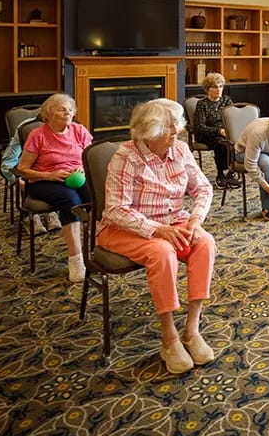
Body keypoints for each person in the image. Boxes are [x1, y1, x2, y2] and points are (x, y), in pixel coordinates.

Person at [97, 99, 217, 374]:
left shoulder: (180, 150)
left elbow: (203, 188)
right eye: (168, 126)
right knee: (162, 252)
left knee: (205, 243)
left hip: (173, 221)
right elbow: (115, 209)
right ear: (148, 131)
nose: (176, 131)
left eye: (177, 124)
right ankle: (169, 338)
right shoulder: (126, 156)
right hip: (125, 228)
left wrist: (195, 220)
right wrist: (158, 230)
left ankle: (192, 330)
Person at [16, 93, 92, 282]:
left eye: (70, 109)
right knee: (71, 201)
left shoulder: (79, 130)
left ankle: (99, 248)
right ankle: (76, 259)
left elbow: (90, 158)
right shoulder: (38, 135)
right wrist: (50, 175)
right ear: (48, 114)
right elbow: (22, 168)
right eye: (62, 109)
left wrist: (82, 169)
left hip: (77, 177)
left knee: (95, 196)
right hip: (44, 181)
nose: (68, 112)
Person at [1, 113, 61, 235]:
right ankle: (30, 216)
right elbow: (7, 165)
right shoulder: (26, 129)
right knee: (29, 175)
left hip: (51, 171)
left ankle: (51, 212)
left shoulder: (65, 127)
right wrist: (19, 183)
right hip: (26, 170)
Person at [192, 72, 239, 189]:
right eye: (214, 87)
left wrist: (228, 131)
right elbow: (199, 127)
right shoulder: (202, 104)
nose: (218, 90)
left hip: (225, 133)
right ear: (208, 89)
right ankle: (221, 174)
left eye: (221, 86)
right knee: (222, 144)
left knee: (235, 143)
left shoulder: (226, 101)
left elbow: (234, 119)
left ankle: (231, 172)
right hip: (207, 134)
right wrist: (219, 131)